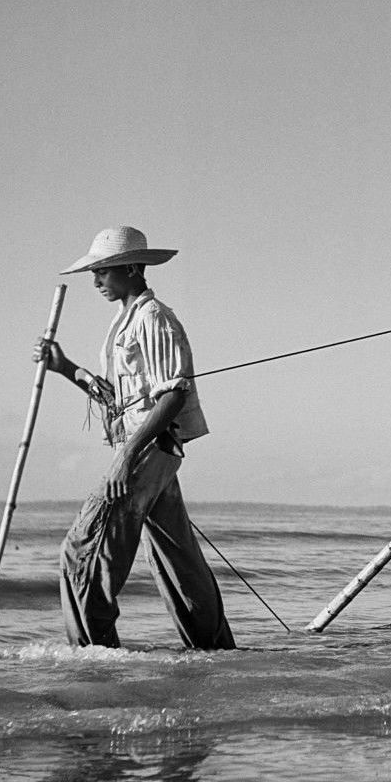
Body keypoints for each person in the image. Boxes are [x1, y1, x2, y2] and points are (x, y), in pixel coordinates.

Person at [33, 226, 235, 650]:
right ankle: (215, 651)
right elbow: (119, 398)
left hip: (147, 451)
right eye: (94, 272)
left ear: (130, 267)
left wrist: (126, 457)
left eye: (103, 271)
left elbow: (175, 394)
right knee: (176, 558)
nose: (96, 281)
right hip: (150, 450)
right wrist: (66, 367)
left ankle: (94, 656)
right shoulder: (124, 322)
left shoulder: (153, 317)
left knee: (81, 551)